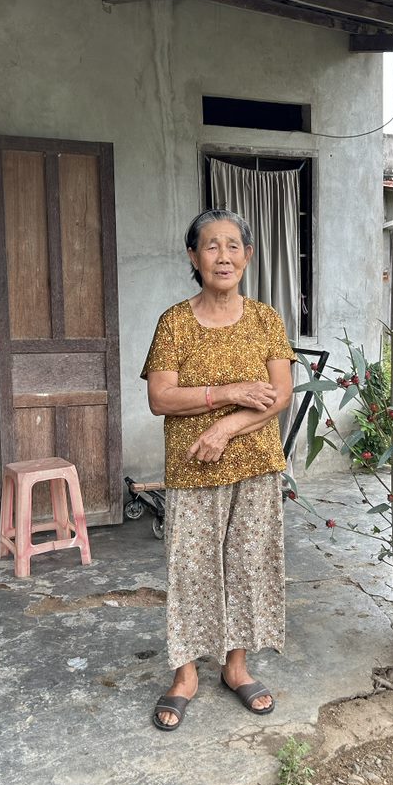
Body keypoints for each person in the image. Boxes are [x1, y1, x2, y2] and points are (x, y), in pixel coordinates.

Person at [141, 209, 296, 731]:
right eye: (211, 246)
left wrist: (224, 428)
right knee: (190, 570)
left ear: (248, 257)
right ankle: (185, 674)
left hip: (255, 465)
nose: (223, 256)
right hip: (192, 470)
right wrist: (228, 394)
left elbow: (280, 396)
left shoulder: (266, 320)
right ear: (193, 257)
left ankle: (236, 667)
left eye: (233, 246)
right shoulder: (175, 322)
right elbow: (161, 397)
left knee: (249, 567)